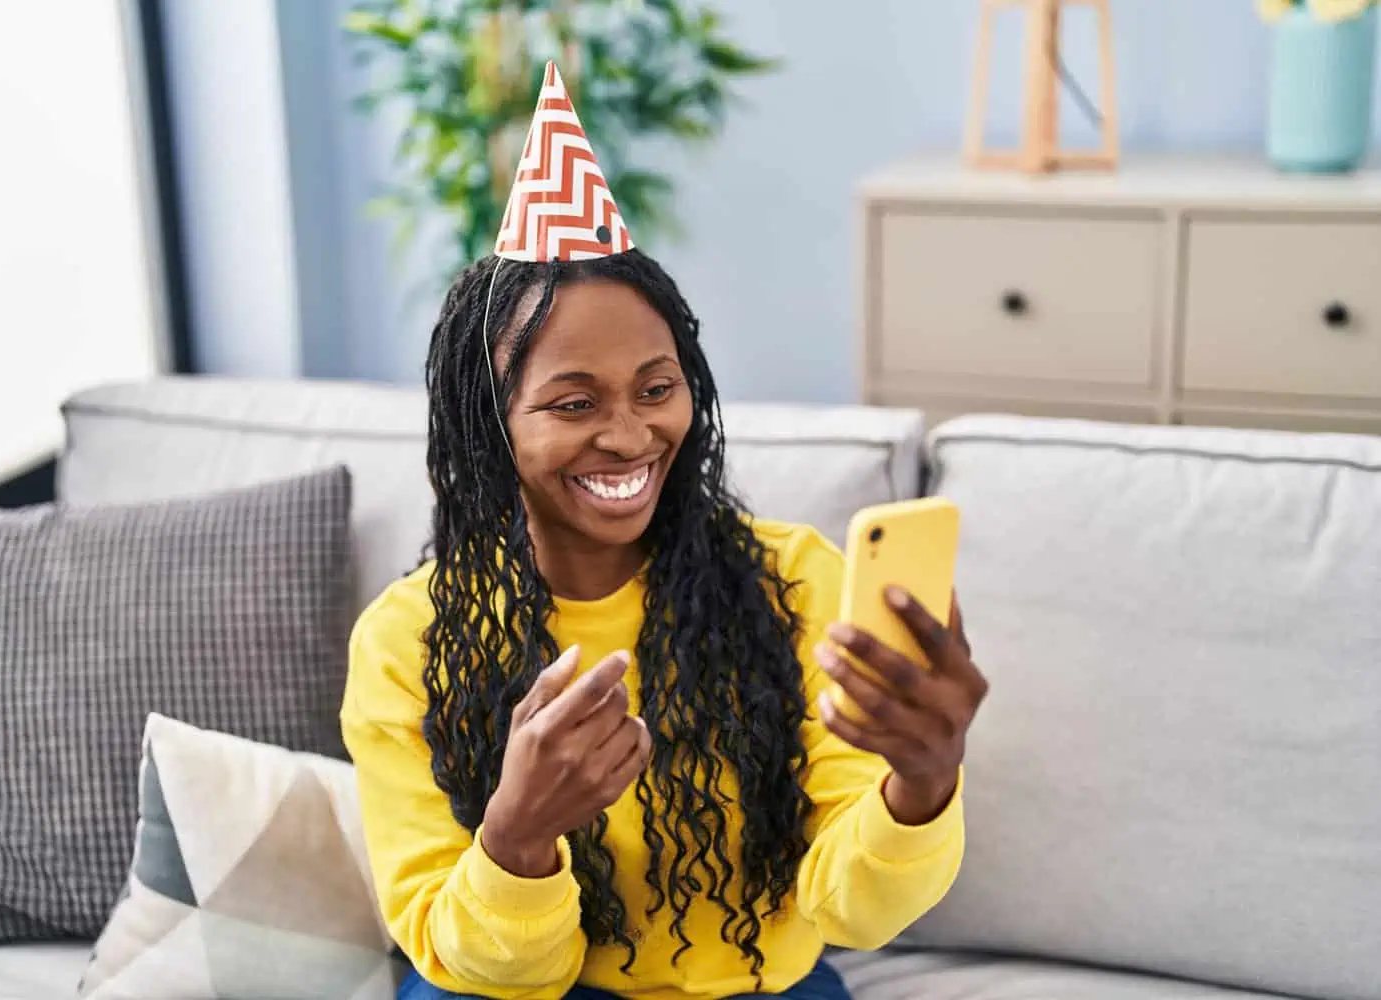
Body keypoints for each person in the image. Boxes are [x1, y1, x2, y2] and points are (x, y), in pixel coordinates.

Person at [341, 62, 989, 1000]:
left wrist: (921, 784)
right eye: (573, 401)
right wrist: (518, 836)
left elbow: (853, 911)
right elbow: (472, 961)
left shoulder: (795, 584)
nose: (631, 434)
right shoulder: (410, 644)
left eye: (657, 387)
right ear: (490, 425)